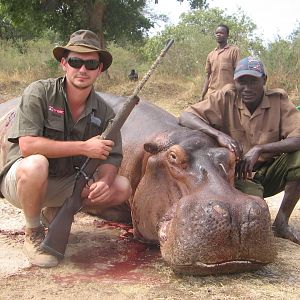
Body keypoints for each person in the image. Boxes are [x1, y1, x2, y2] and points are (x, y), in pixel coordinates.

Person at [0, 29, 132, 268]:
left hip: (64, 183)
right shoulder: (39, 92)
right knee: (36, 163)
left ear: (99, 69)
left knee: (121, 187)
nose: (82, 69)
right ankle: (33, 231)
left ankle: (54, 213)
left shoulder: (104, 112)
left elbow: (112, 157)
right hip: (23, 181)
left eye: (91, 64)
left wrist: (104, 180)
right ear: (64, 63)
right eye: (75, 61)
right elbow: (28, 146)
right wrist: (84, 147)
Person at [179, 56, 300, 245]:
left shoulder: (279, 101)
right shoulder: (225, 96)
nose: (247, 88)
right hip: (236, 174)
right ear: (235, 81)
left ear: (264, 80)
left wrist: (260, 149)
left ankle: (282, 223)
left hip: (269, 171)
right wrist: (217, 134)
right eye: (241, 81)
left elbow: (298, 137)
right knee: (252, 214)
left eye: (253, 81)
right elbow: (186, 116)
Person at [200, 24, 240, 101]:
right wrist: (202, 94)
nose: (218, 34)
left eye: (221, 33)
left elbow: (238, 73)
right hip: (212, 94)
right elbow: (208, 76)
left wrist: (238, 94)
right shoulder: (211, 54)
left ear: (227, 35)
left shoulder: (234, 51)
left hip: (228, 94)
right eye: (217, 33)